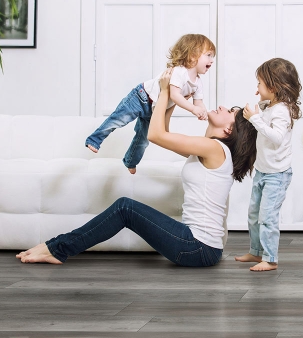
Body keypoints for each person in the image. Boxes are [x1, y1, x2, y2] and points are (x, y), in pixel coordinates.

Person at [17, 68, 257, 267]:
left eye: (230, 112)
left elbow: (154, 134)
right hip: (200, 247)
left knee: (125, 208)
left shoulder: (213, 148)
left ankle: (57, 248)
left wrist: (165, 91)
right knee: (125, 208)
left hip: (198, 248)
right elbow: (164, 133)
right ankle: (56, 247)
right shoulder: (211, 150)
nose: (223, 107)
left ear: (229, 130)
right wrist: (173, 96)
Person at [84, 34, 215, 174]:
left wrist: (203, 112)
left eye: (213, 56)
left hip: (154, 110)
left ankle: (130, 161)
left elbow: (199, 102)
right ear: (193, 55)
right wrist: (193, 109)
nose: (212, 60)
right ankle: (94, 139)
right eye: (208, 55)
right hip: (141, 98)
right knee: (118, 120)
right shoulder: (179, 72)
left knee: (143, 139)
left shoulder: (198, 83)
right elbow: (175, 96)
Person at [235, 58, 302, 272]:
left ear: (272, 87)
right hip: (263, 171)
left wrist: (255, 118)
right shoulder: (271, 106)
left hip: (277, 174)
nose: (257, 88)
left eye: (260, 83)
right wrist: (259, 110)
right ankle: (256, 251)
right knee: (254, 215)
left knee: (267, 217)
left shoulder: (281, 111)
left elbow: (277, 137)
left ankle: (270, 258)